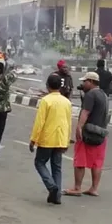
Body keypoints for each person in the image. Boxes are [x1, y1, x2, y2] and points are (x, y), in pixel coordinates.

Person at [29, 74, 72, 205]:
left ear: (47, 86)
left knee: (39, 163)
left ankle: (51, 186)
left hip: (47, 139)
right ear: (60, 86)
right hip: (60, 139)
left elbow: (39, 122)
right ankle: (57, 195)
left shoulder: (46, 101)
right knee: (57, 167)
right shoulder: (67, 102)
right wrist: (67, 141)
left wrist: (33, 140)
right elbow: (68, 123)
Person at [64, 72, 109, 196]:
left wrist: (79, 127)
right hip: (101, 133)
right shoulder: (104, 95)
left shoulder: (90, 95)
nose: (83, 84)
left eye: (85, 81)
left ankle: (77, 188)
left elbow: (85, 112)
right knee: (97, 162)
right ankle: (94, 188)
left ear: (91, 81)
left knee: (80, 160)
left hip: (88, 132)